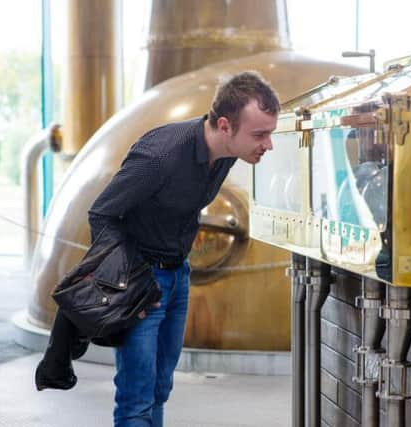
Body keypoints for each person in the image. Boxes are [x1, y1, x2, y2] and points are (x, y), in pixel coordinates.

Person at [40, 71, 279, 427]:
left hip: (177, 275)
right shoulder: (161, 156)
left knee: (159, 388)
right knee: (136, 396)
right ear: (225, 126)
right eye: (260, 134)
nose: (268, 144)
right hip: (141, 282)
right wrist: (132, 280)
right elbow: (101, 214)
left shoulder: (228, 153)